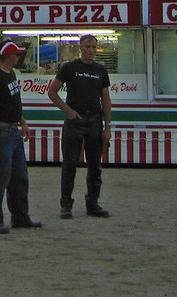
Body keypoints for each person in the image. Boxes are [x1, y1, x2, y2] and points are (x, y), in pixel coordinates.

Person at [47, 33, 112, 219]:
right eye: (87, 47)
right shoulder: (69, 68)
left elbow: (105, 98)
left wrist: (108, 126)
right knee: (69, 165)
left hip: (94, 120)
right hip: (75, 121)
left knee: (95, 166)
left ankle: (93, 204)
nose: (91, 50)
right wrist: (68, 111)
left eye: (94, 47)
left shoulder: (100, 70)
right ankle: (66, 205)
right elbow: (52, 92)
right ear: (80, 48)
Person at [0, 41, 41, 234]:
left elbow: (13, 102)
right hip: (1, 131)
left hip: (12, 130)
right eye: (16, 54)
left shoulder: (10, 74)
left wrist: (22, 121)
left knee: (19, 177)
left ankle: (20, 217)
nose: (18, 57)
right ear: (9, 56)